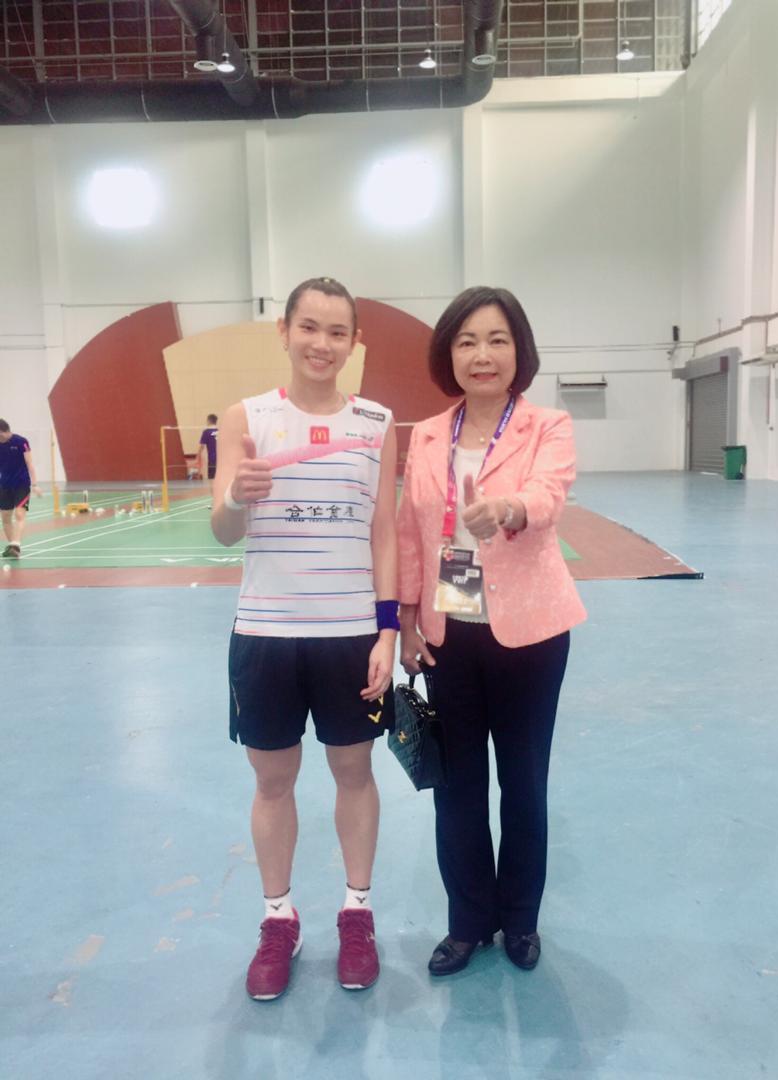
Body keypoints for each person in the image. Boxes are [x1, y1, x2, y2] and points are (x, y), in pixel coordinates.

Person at [212, 277, 398, 1000]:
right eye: (309, 327)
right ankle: (278, 919)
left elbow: (383, 531)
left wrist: (388, 629)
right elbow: (223, 529)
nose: (322, 343)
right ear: (284, 332)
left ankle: (357, 913)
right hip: (266, 633)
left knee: (354, 774)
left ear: (354, 343)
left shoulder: (377, 421)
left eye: (337, 331)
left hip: (350, 633)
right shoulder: (246, 418)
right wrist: (236, 496)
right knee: (272, 782)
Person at [397, 286, 587, 976]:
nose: (483, 354)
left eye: (497, 339)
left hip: (530, 634)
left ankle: (520, 922)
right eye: (468, 341)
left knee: (524, 782)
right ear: (450, 352)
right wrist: (408, 621)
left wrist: (506, 508)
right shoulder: (424, 434)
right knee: (458, 786)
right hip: (450, 632)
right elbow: (412, 532)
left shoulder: (547, 426)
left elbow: (549, 495)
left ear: (519, 351)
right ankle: (467, 923)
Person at [0, 420, 42, 559]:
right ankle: (12, 545)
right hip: (4, 485)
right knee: (5, 517)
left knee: (19, 514)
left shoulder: (21, 441)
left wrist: (35, 485)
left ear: (4, 431)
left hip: (22, 484)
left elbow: (30, 463)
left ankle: (16, 545)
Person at [195, 414, 218, 493]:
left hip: (212, 460)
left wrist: (198, 456)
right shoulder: (221, 430)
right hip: (222, 459)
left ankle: (214, 500)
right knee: (221, 478)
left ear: (208, 420)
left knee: (212, 479)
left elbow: (202, 446)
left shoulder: (206, 432)